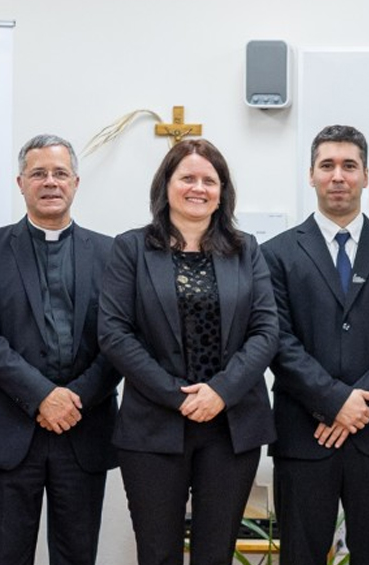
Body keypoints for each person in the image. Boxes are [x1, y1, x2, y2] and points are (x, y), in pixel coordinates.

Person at [99, 138, 284, 565]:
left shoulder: (245, 249)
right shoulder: (131, 248)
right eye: (187, 178)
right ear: (166, 186)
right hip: (154, 424)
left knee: (215, 554)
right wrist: (176, 395)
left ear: (222, 191)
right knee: (158, 552)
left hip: (231, 424)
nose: (198, 188)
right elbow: (114, 334)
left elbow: (265, 330)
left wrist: (220, 392)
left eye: (209, 180)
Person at [264, 125, 369, 565]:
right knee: (301, 556)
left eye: (349, 166)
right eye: (327, 165)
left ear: (366, 176)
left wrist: (355, 407)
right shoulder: (274, 253)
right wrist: (334, 402)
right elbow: (278, 340)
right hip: (303, 435)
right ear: (310, 175)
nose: (338, 176)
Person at [0, 134, 121, 565]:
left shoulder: (112, 253)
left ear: (76, 182)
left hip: (83, 428)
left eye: (59, 173)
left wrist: (74, 400)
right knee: (6, 555)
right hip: (9, 429)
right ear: (20, 182)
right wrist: (42, 396)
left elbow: (119, 341)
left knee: (77, 555)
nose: (50, 182)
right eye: (38, 174)